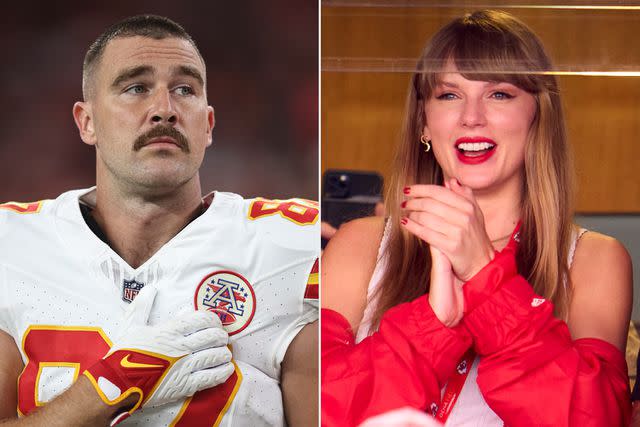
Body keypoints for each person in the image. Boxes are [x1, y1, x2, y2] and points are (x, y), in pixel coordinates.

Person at [0, 15, 318, 427]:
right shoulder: (12, 244)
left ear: (207, 125)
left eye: (185, 90)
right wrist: (107, 388)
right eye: (136, 88)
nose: (164, 110)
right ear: (87, 122)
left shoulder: (290, 245)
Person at [321, 9, 632, 427]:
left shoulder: (595, 259)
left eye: (499, 94)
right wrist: (433, 324)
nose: (472, 116)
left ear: (537, 116)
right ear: (423, 123)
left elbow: (595, 419)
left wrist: (486, 277)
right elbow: (314, 409)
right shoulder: (360, 244)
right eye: (449, 95)